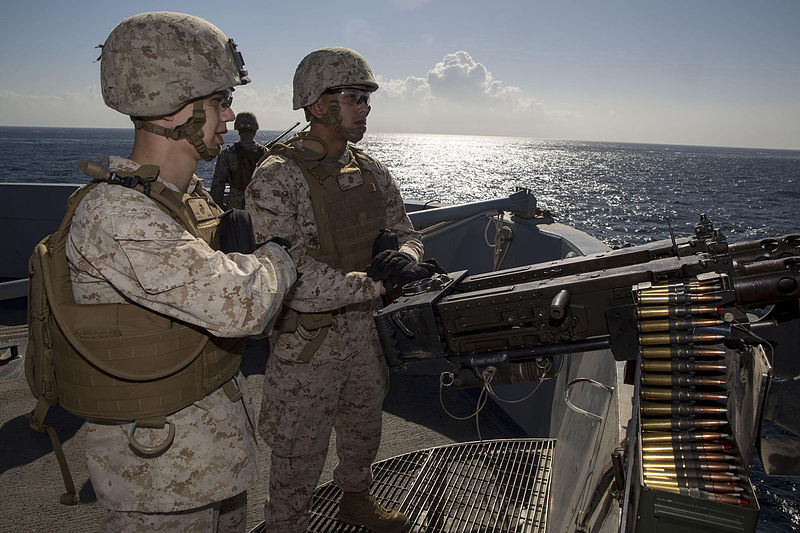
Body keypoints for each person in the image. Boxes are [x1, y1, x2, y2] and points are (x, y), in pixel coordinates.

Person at [63, 12, 296, 532]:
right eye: (219, 102)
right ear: (177, 109)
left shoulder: (180, 198)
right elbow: (244, 305)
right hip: (159, 472)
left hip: (208, 453)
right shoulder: (116, 213)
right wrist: (280, 254)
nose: (231, 117)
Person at [246, 47, 438, 533]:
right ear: (315, 104)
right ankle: (284, 525)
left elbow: (408, 231)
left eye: (366, 98)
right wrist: (376, 281)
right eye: (353, 97)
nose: (364, 107)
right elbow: (295, 275)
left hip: (365, 334)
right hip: (308, 341)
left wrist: (406, 260)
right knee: (297, 450)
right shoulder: (275, 179)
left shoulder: (370, 171)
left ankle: (356, 501)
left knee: (363, 428)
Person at [211, 112, 268, 209]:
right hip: (260, 207)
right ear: (255, 130)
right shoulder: (265, 154)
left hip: (235, 208)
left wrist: (217, 209)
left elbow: (218, 185)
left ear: (238, 130)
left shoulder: (228, 154)